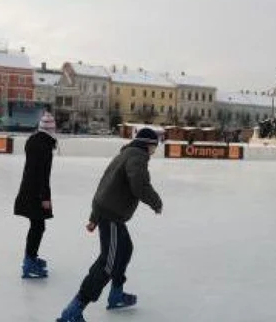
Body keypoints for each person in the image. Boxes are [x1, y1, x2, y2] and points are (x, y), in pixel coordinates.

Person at [57, 128, 163, 322]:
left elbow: (105, 185)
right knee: (108, 262)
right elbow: (139, 185)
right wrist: (156, 202)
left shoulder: (125, 154)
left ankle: (116, 294)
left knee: (125, 250)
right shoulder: (137, 157)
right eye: (154, 147)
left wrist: (94, 217)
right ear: (148, 145)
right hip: (112, 215)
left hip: (108, 212)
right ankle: (73, 310)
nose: (154, 151)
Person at [13, 112, 57, 278]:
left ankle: (30, 258)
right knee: (38, 227)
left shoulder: (33, 141)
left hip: (28, 189)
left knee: (37, 226)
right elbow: (42, 174)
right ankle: (29, 262)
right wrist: (45, 197)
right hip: (36, 193)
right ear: (51, 129)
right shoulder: (45, 146)